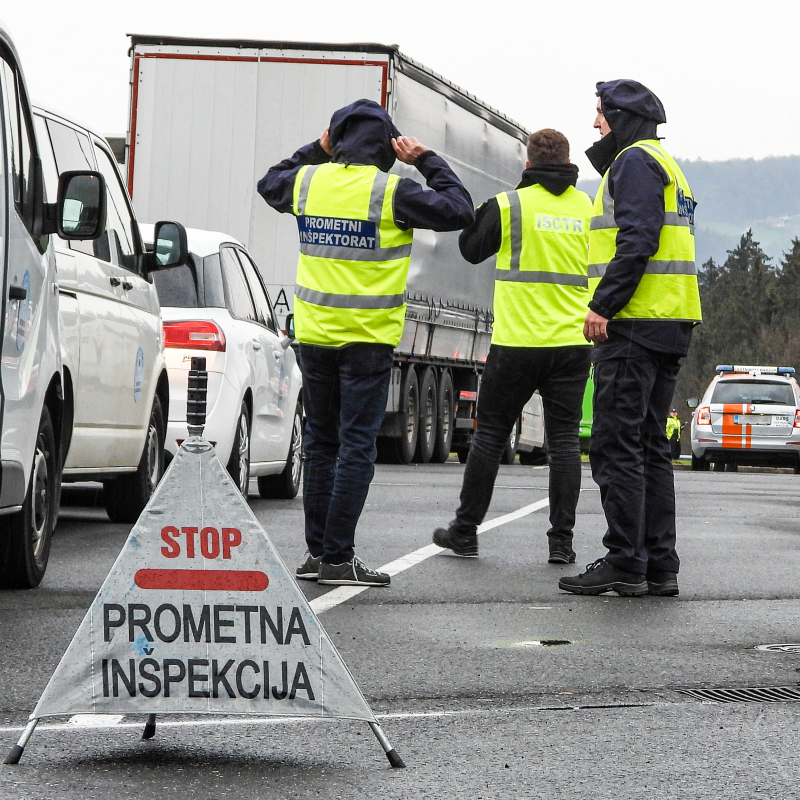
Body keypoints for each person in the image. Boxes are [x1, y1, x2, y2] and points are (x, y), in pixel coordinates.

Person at [258, 99, 474, 587]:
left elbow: (269, 181)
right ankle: (338, 556)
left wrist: (315, 148)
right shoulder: (392, 191)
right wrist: (425, 159)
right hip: (368, 341)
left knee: (319, 444)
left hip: (314, 336)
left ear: (337, 140)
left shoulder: (308, 182)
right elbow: (460, 209)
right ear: (385, 146)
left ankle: (318, 555)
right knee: (356, 445)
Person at [559, 80, 702, 599]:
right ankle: (659, 564)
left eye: (600, 115)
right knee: (649, 447)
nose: (595, 124)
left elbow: (637, 239)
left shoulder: (635, 163)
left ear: (620, 117)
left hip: (635, 325)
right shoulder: (662, 162)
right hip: (669, 321)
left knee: (616, 445)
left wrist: (603, 305)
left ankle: (624, 560)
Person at [431, 129, 593, 563]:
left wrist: (491, 206)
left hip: (517, 343)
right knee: (563, 443)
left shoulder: (510, 205)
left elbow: (469, 249)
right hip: (573, 345)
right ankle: (562, 543)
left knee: (490, 438)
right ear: (568, 162)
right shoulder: (589, 210)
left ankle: (465, 532)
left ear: (528, 164)